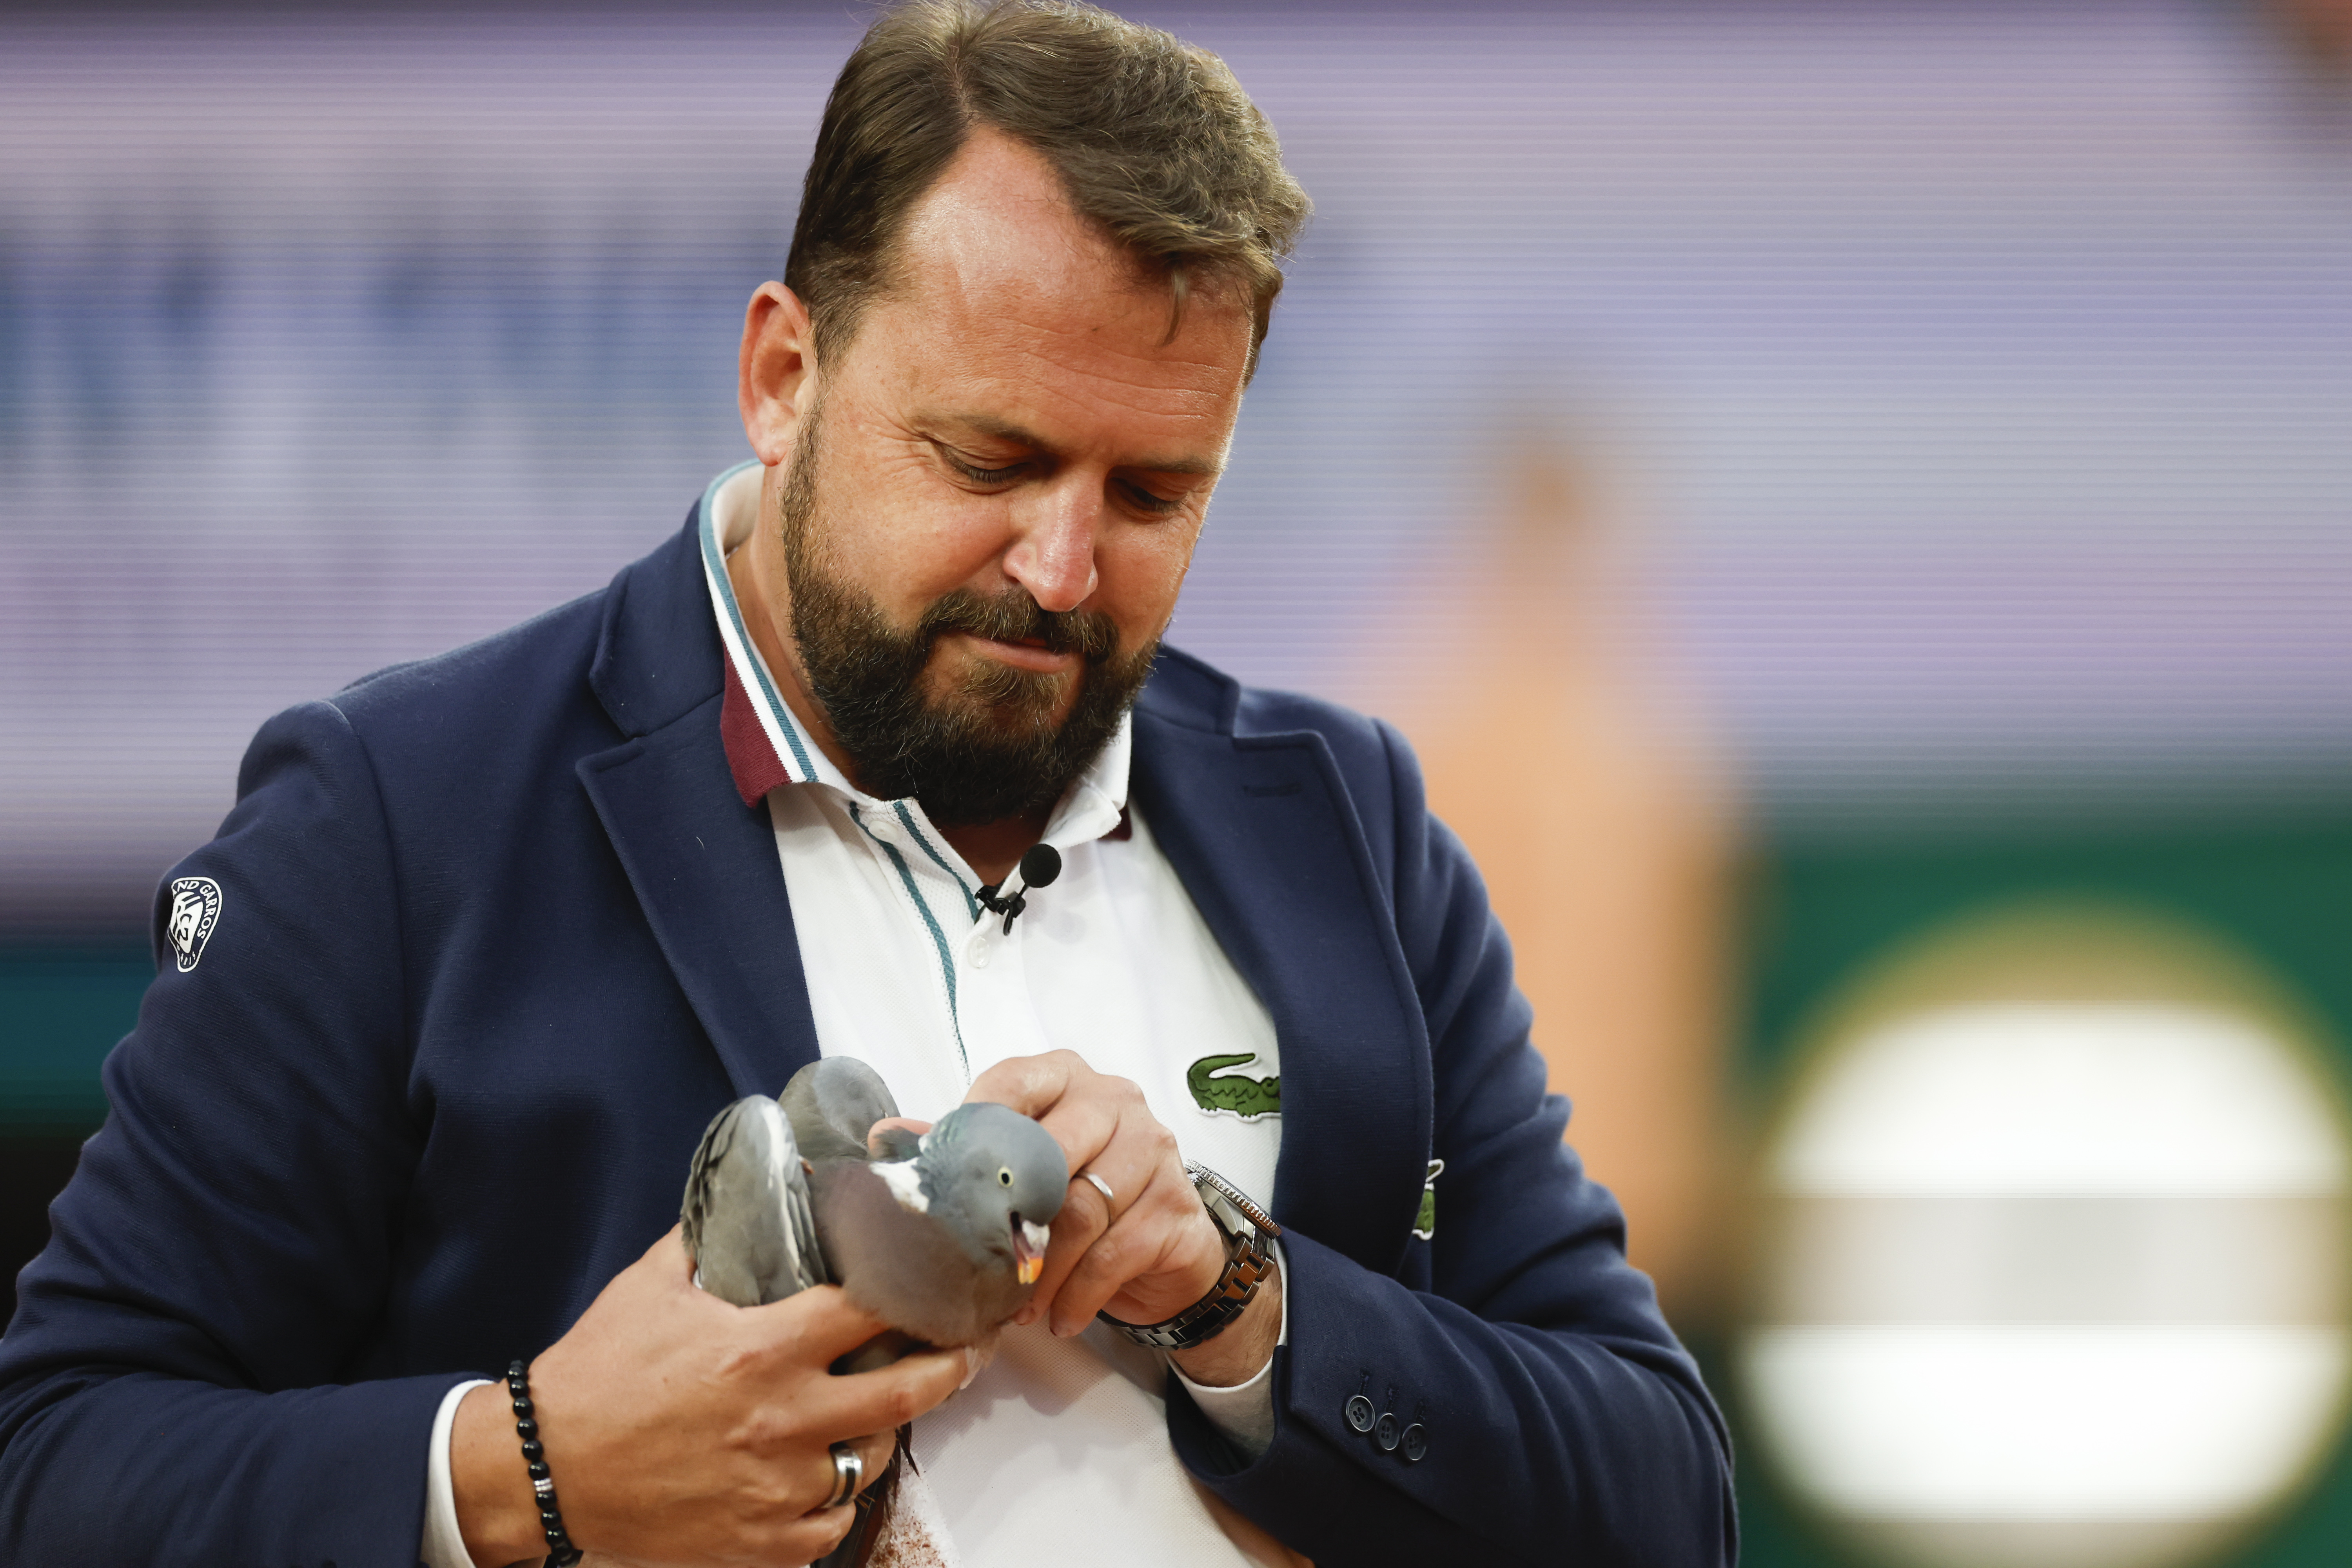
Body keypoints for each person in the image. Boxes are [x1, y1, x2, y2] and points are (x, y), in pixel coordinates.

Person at [0, 3, 1735, 1564]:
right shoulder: (391, 818)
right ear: (782, 373)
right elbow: (63, 1461)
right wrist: (524, 1469)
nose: (1061, 567)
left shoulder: (1340, 817)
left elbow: (1662, 1493)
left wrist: (1239, 1294)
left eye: (1153, 494)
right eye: (988, 458)